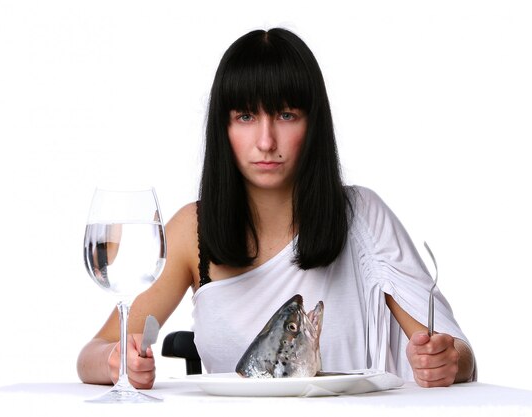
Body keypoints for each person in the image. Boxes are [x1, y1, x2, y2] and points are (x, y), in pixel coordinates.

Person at [76, 27, 476, 389]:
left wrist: (443, 360)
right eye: (246, 116)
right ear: (223, 127)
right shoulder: (191, 230)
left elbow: (460, 356)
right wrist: (116, 362)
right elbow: (94, 353)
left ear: (312, 124)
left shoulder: (363, 215)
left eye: (286, 115)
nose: (266, 141)